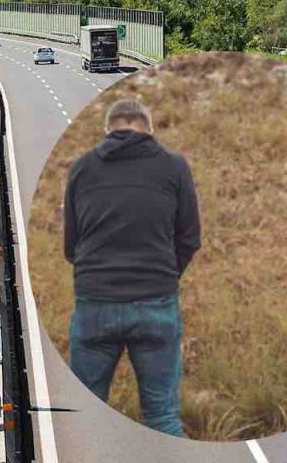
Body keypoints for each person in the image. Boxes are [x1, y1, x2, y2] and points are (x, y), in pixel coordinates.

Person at [63, 98, 201, 437]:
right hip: (156, 303)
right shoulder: (174, 167)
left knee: (86, 413)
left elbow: (71, 246)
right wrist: (164, 275)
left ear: (108, 130)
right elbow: (190, 238)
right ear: (149, 130)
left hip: (95, 304)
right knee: (162, 416)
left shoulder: (81, 169)